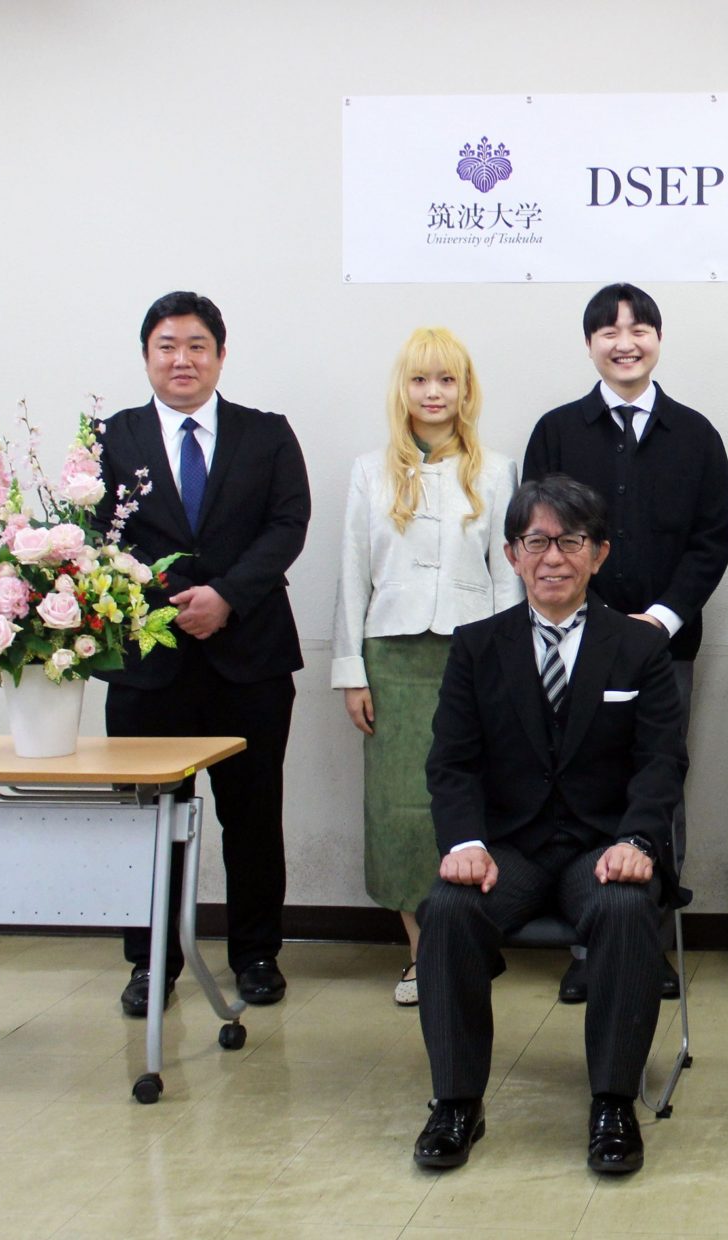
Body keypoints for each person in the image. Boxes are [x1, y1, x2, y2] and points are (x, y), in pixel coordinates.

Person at [412, 476, 686, 1174]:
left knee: (626, 908)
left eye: (571, 541)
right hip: (510, 850)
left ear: (599, 554)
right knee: (447, 909)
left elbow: (660, 761)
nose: (553, 558)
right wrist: (465, 843)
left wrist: (637, 840)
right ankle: (456, 1103)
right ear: (511, 554)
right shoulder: (476, 647)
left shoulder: (639, 647)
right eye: (536, 542)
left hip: (602, 848)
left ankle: (614, 1103)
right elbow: (451, 762)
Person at [93, 291, 310, 1016]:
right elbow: (96, 539)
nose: (181, 359)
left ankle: (257, 955)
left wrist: (225, 596)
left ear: (220, 355)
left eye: (196, 346)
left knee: (252, 815)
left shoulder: (266, 434)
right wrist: (169, 601)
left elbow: (287, 524)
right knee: (149, 819)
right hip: (148, 666)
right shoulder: (108, 439)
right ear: (146, 356)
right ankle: (150, 962)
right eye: (167, 346)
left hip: (250, 657)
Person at [524, 283, 728, 1005]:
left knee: (658, 785)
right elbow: (540, 537)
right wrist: (593, 620)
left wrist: (661, 620)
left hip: (665, 648)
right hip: (569, 643)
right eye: (608, 331)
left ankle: (647, 943)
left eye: (639, 328)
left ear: (658, 340)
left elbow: (712, 541)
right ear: (590, 345)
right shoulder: (557, 431)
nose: (625, 342)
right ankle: (589, 945)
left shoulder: (695, 434)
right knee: (578, 784)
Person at [332, 327, 521, 1006]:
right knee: (402, 809)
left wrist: (511, 667)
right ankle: (421, 954)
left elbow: (509, 573)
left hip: (473, 655)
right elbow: (352, 572)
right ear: (403, 389)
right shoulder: (370, 471)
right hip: (392, 657)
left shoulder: (496, 470)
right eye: (420, 379)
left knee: (471, 799)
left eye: (447, 379)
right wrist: (352, 671)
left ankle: (466, 941)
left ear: (465, 389)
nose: (433, 393)